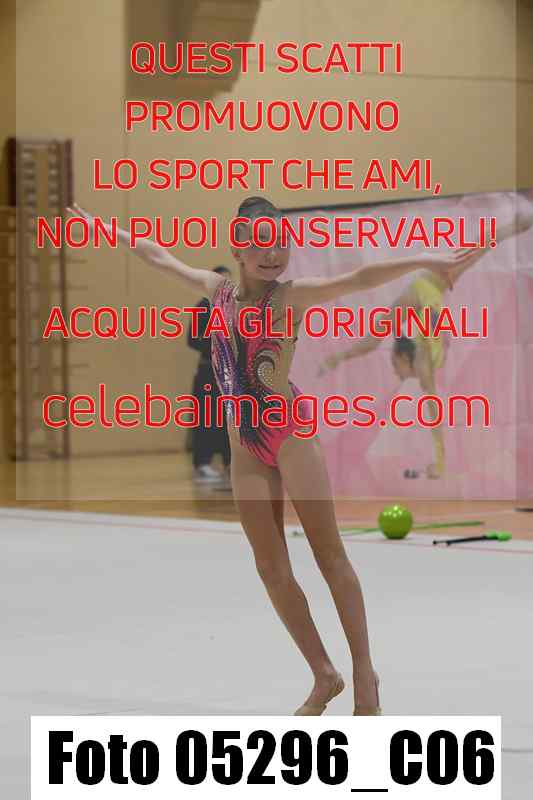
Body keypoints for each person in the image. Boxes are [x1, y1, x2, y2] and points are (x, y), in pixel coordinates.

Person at [68, 196, 481, 715]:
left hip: (289, 434)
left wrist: (429, 261)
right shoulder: (215, 290)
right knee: (270, 566)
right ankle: (324, 674)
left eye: (281, 244)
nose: (273, 255)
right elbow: (159, 256)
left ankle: (363, 672)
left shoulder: (292, 296)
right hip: (243, 441)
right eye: (261, 245)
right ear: (238, 248)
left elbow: (361, 278)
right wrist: (108, 231)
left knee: (329, 555)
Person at [320, 205, 533, 478]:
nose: (397, 374)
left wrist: (337, 359)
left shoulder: (421, 358)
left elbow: (432, 406)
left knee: (471, 254)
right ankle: (513, 226)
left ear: (403, 357)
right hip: (432, 296)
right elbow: (433, 408)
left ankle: (514, 226)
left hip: (429, 296)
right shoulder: (423, 360)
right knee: (471, 254)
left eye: (395, 367)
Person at [187, 265, 232, 486]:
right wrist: (217, 345)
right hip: (208, 372)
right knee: (206, 418)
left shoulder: (234, 309)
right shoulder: (203, 307)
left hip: (229, 374)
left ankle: (229, 462)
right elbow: (192, 340)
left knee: (228, 419)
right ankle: (202, 463)